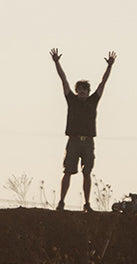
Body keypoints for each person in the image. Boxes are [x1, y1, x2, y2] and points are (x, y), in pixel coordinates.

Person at [50, 48, 116, 212]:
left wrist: (109, 66)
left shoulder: (93, 101)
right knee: (68, 171)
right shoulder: (71, 100)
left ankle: (87, 204)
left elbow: (103, 83)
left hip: (88, 142)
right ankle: (61, 202)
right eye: (79, 90)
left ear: (88, 92)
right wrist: (57, 62)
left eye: (84, 90)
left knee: (87, 173)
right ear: (77, 90)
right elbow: (63, 80)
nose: (82, 92)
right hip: (73, 140)